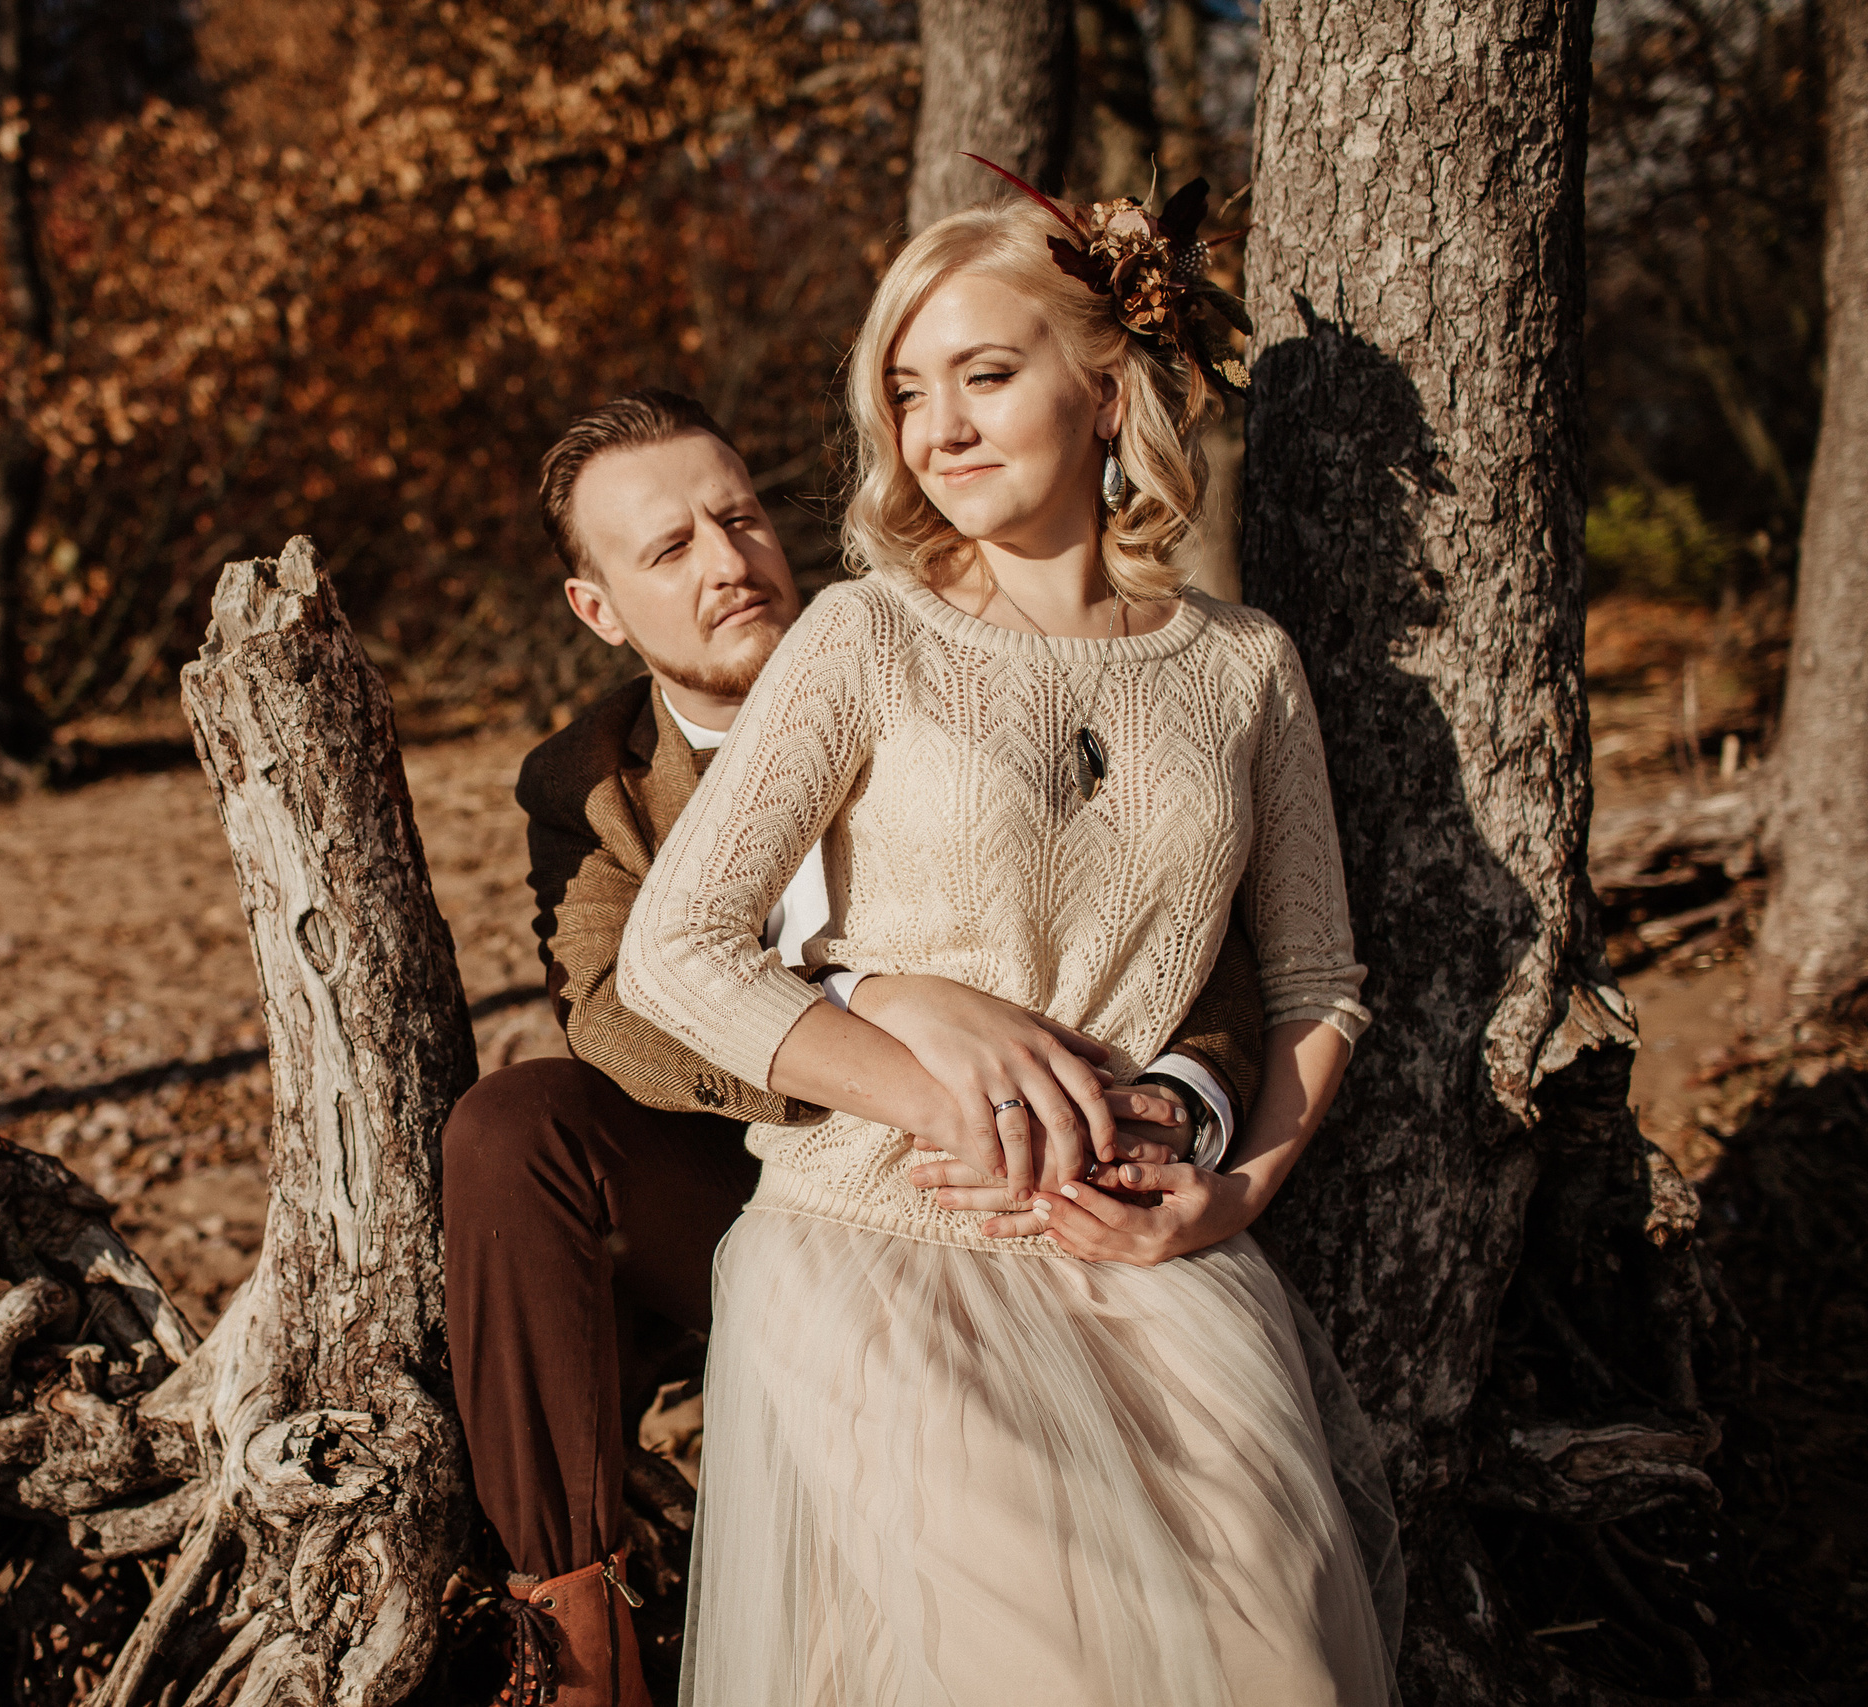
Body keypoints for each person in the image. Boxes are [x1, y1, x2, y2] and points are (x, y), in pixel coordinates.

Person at [614, 186, 1401, 1704]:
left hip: (1154, 1268)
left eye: (985, 375)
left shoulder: (1245, 667)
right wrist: (941, 1096)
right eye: (907, 392)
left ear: (1106, 393)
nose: (939, 430)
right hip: (885, 1252)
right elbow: (679, 950)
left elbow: (1318, 983)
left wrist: (1233, 1194)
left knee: (1276, 1670)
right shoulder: (863, 634)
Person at [443, 388, 1279, 1706]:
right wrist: (865, 997)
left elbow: (1185, 911)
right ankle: (579, 1640)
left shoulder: (960, 665)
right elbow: (614, 1006)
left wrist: (1179, 1099)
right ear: (597, 609)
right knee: (514, 1129)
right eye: (669, 550)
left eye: (741, 516)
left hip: (1032, 1173)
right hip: (765, 1174)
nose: (729, 561)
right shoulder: (590, 773)